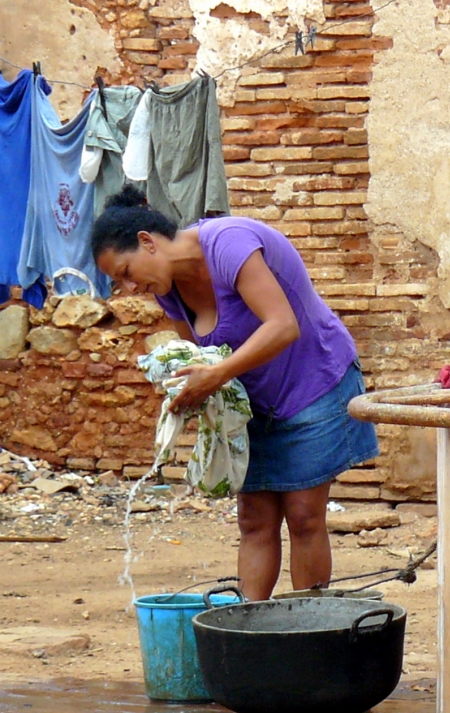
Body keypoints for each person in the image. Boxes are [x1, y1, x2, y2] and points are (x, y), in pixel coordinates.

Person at [90, 187, 379, 601]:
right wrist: (187, 394)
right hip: (256, 403)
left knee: (303, 517)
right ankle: (249, 639)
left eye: (126, 272)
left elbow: (283, 326)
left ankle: (312, 640)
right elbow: (203, 359)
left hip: (315, 382)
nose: (129, 288)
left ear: (146, 242)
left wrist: (214, 376)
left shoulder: (229, 243)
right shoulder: (168, 291)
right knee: (255, 521)